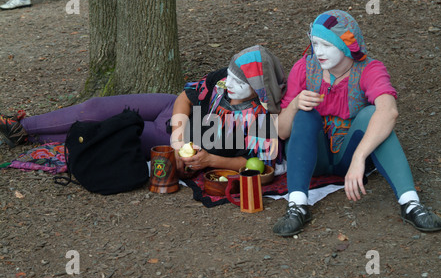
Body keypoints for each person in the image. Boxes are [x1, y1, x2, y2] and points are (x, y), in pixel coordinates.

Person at [272, 10, 441, 236]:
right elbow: (282, 133)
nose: (319, 51)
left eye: (327, 44)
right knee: (305, 114)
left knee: (373, 114)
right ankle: (297, 205)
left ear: (345, 46)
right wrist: (294, 105)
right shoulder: (303, 68)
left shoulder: (369, 69)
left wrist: (359, 157)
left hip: (349, 154)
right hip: (312, 159)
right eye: (315, 43)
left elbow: (389, 111)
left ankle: (410, 203)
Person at [0, 45, 286, 179]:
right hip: (171, 115)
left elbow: (255, 165)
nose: (229, 84)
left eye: (240, 82)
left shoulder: (260, 119)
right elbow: (185, 96)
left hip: (163, 140)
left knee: (106, 132)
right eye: (230, 77)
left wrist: (209, 158)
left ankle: (33, 140)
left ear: (259, 89)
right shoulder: (223, 79)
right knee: (94, 107)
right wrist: (178, 130)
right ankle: (19, 126)